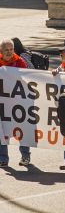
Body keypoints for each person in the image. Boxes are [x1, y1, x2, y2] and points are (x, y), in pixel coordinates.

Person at [0, 38, 30, 167]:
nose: (9, 52)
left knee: (22, 130)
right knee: (2, 131)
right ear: (1, 51)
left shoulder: (20, 62)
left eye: (11, 49)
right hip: (2, 103)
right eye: (6, 50)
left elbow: (27, 79)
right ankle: (3, 158)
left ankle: (25, 156)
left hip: (18, 103)